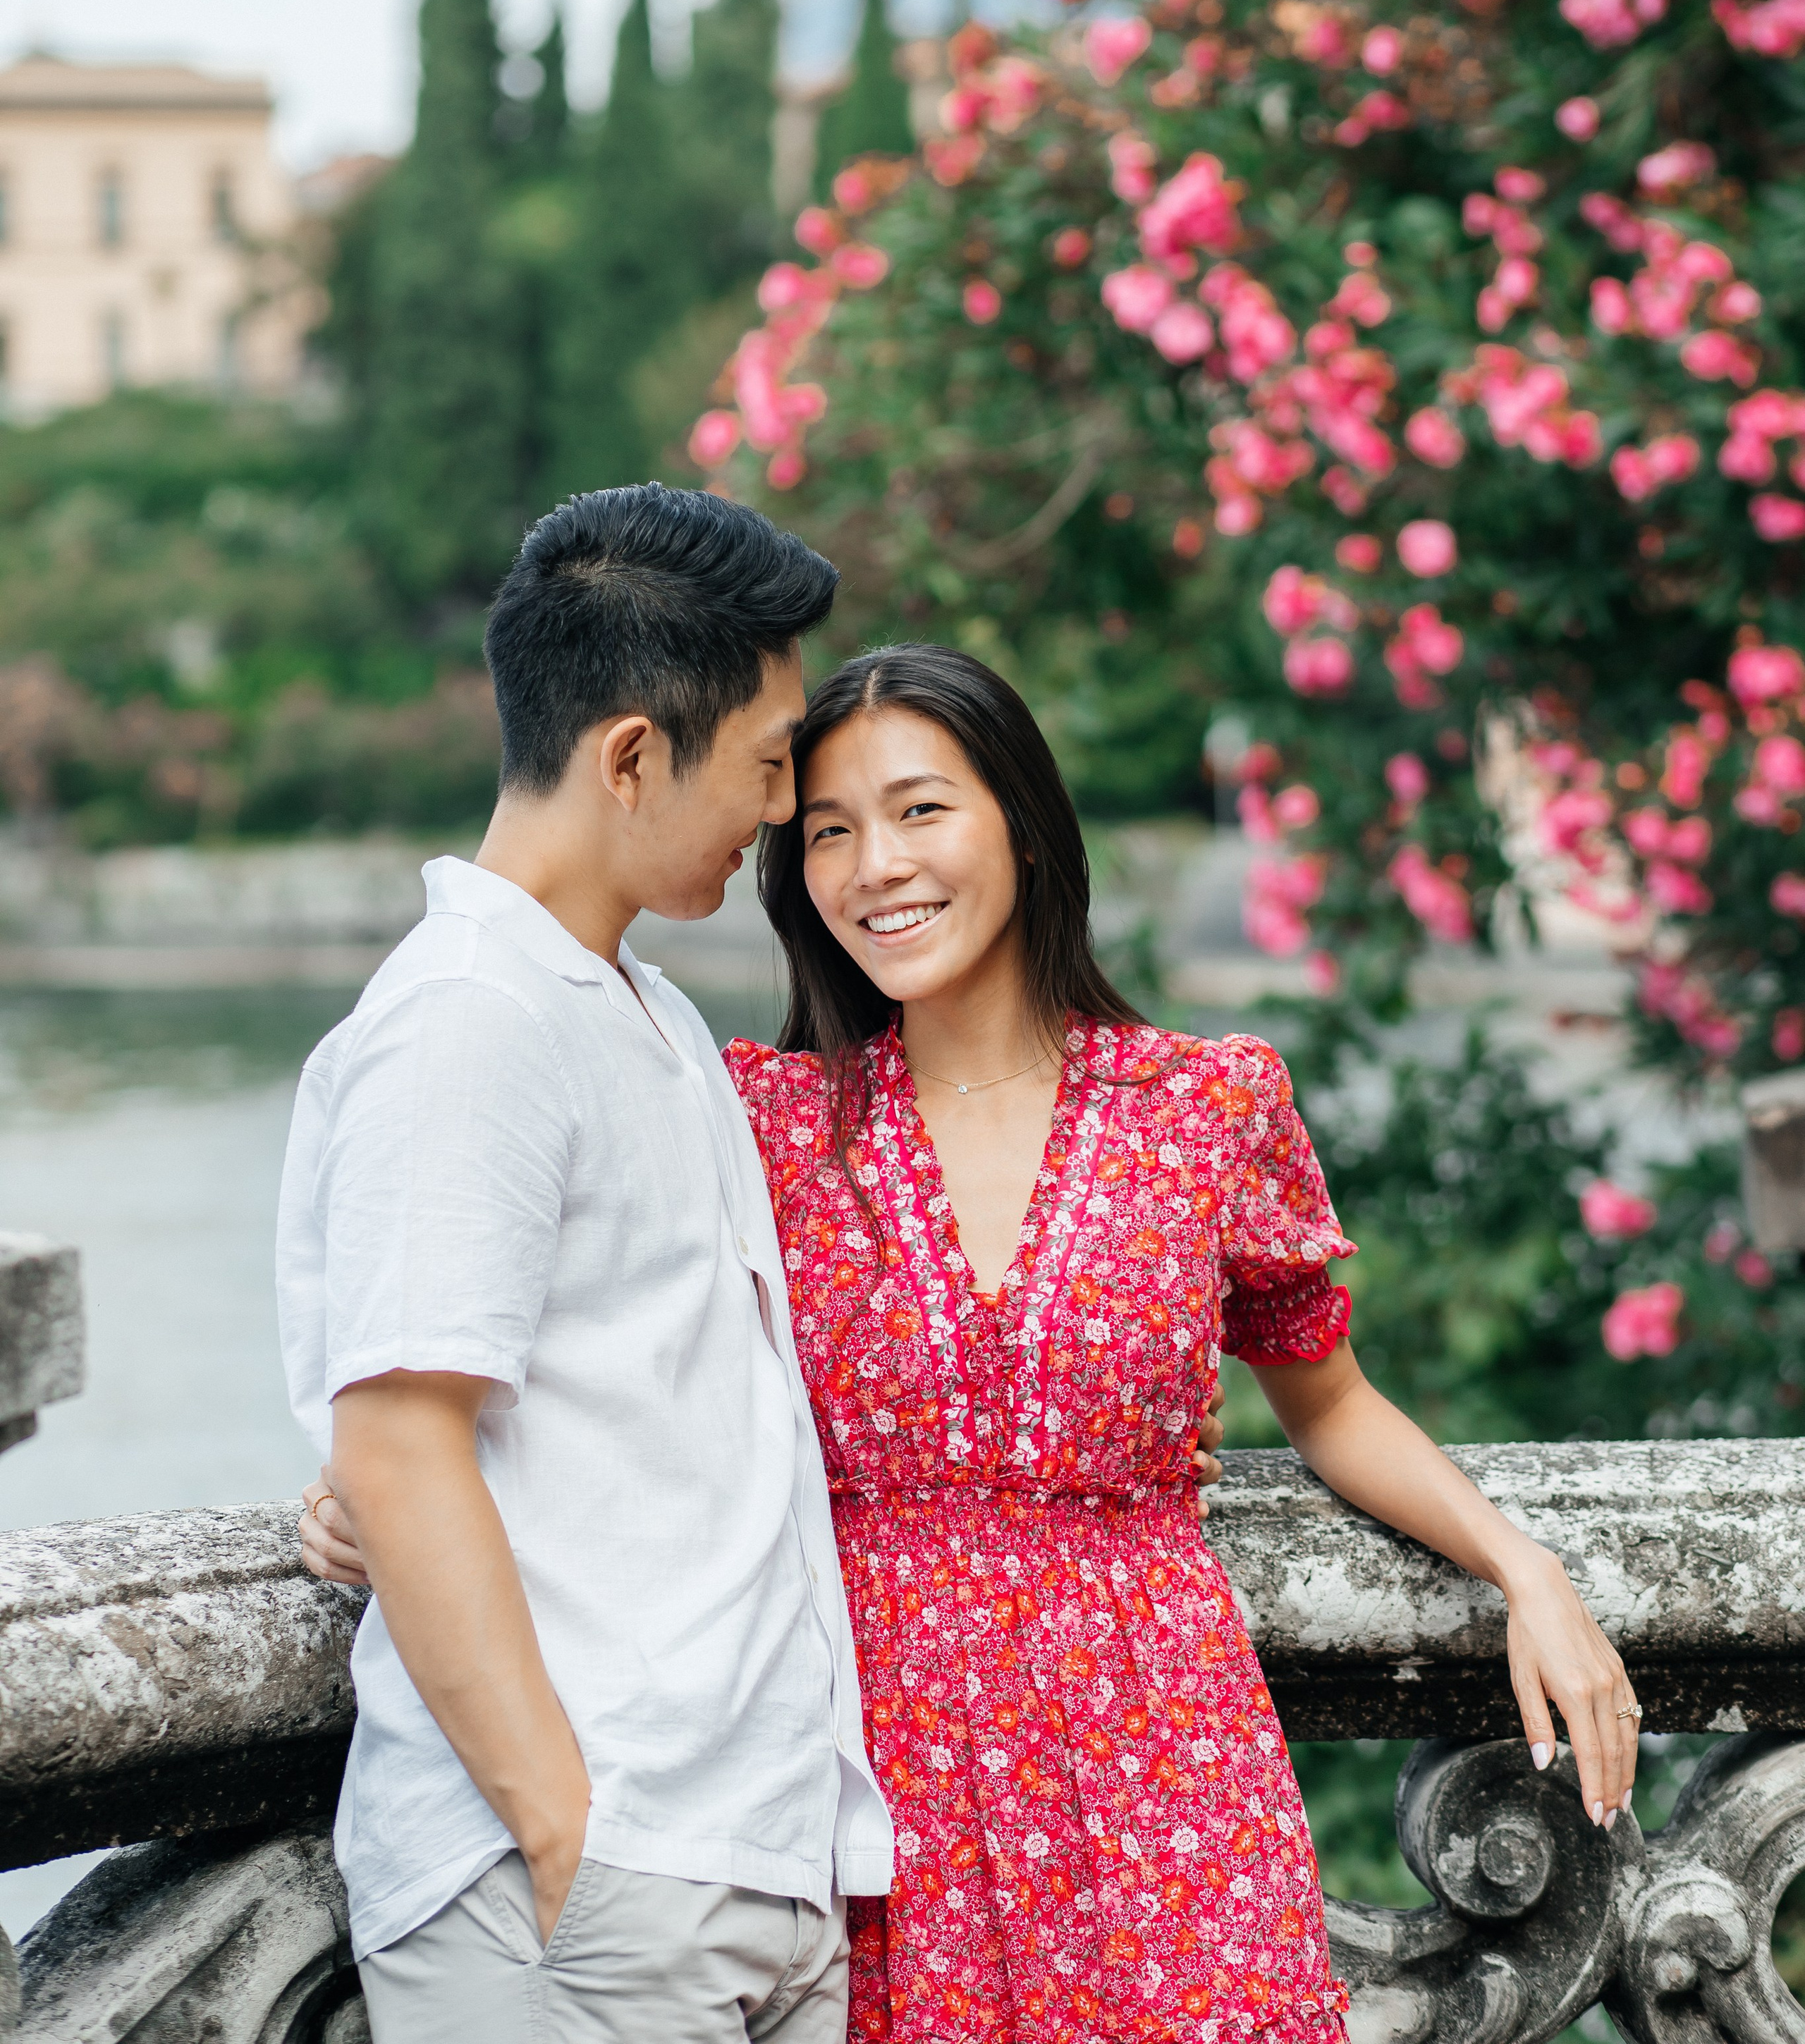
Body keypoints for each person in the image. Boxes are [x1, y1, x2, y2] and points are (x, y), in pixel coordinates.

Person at [306, 633, 1642, 2043]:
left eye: (920, 809)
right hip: (870, 1787)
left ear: (1020, 818)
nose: (875, 865)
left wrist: (1519, 1566)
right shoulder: (755, 1119)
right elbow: (558, 1340)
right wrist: (380, 1488)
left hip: (1164, 1779)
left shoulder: (1204, 1106)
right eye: (827, 831)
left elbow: (1328, 1403)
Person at [276, 485, 893, 2044]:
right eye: (765, 765)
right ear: (631, 755)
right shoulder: (466, 1023)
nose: (777, 811)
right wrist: (566, 1831)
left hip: (732, 1856)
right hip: (593, 1885)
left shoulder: (636, 1009)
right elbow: (400, 1448)